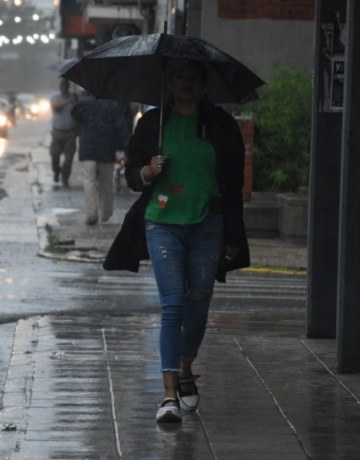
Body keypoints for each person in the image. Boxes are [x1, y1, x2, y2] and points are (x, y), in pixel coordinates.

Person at [103, 60, 250, 424]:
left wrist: (233, 234)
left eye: (192, 78)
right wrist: (148, 172)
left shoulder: (221, 125)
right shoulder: (152, 124)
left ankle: (186, 369)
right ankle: (168, 396)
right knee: (172, 306)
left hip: (208, 225)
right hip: (162, 222)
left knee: (198, 306)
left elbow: (234, 184)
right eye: (179, 78)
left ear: (203, 85)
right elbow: (132, 176)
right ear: (168, 83)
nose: (185, 84)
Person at [70, 91, 132, 225]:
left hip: (87, 148)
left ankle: (91, 213)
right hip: (107, 149)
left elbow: (74, 113)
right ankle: (105, 213)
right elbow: (121, 126)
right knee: (106, 182)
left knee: (89, 181)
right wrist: (124, 147)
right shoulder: (112, 105)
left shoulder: (83, 103)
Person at [48, 78, 79, 187]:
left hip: (71, 132)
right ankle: (56, 171)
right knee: (54, 155)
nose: (64, 87)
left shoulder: (74, 98)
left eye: (66, 85)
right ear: (59, 86)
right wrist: (67, 102)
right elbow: (55, 107)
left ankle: (65, 177)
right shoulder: (55, 97)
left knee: (68, 159)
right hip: (57, 132)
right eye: (62, 85)